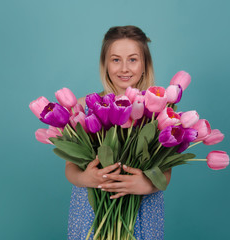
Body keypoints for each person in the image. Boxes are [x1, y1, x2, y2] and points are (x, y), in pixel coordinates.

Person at [65, 25, 171, 240]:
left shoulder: (158, 112)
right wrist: (85, 178)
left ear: (145, 65)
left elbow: (165, 170)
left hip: (141, 211)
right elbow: (70, 169)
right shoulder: (82, 108)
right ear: (104, 65)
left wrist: (148, 184)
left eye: (133, 59)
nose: (124, 68)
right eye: (115, 60)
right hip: (92, 213)